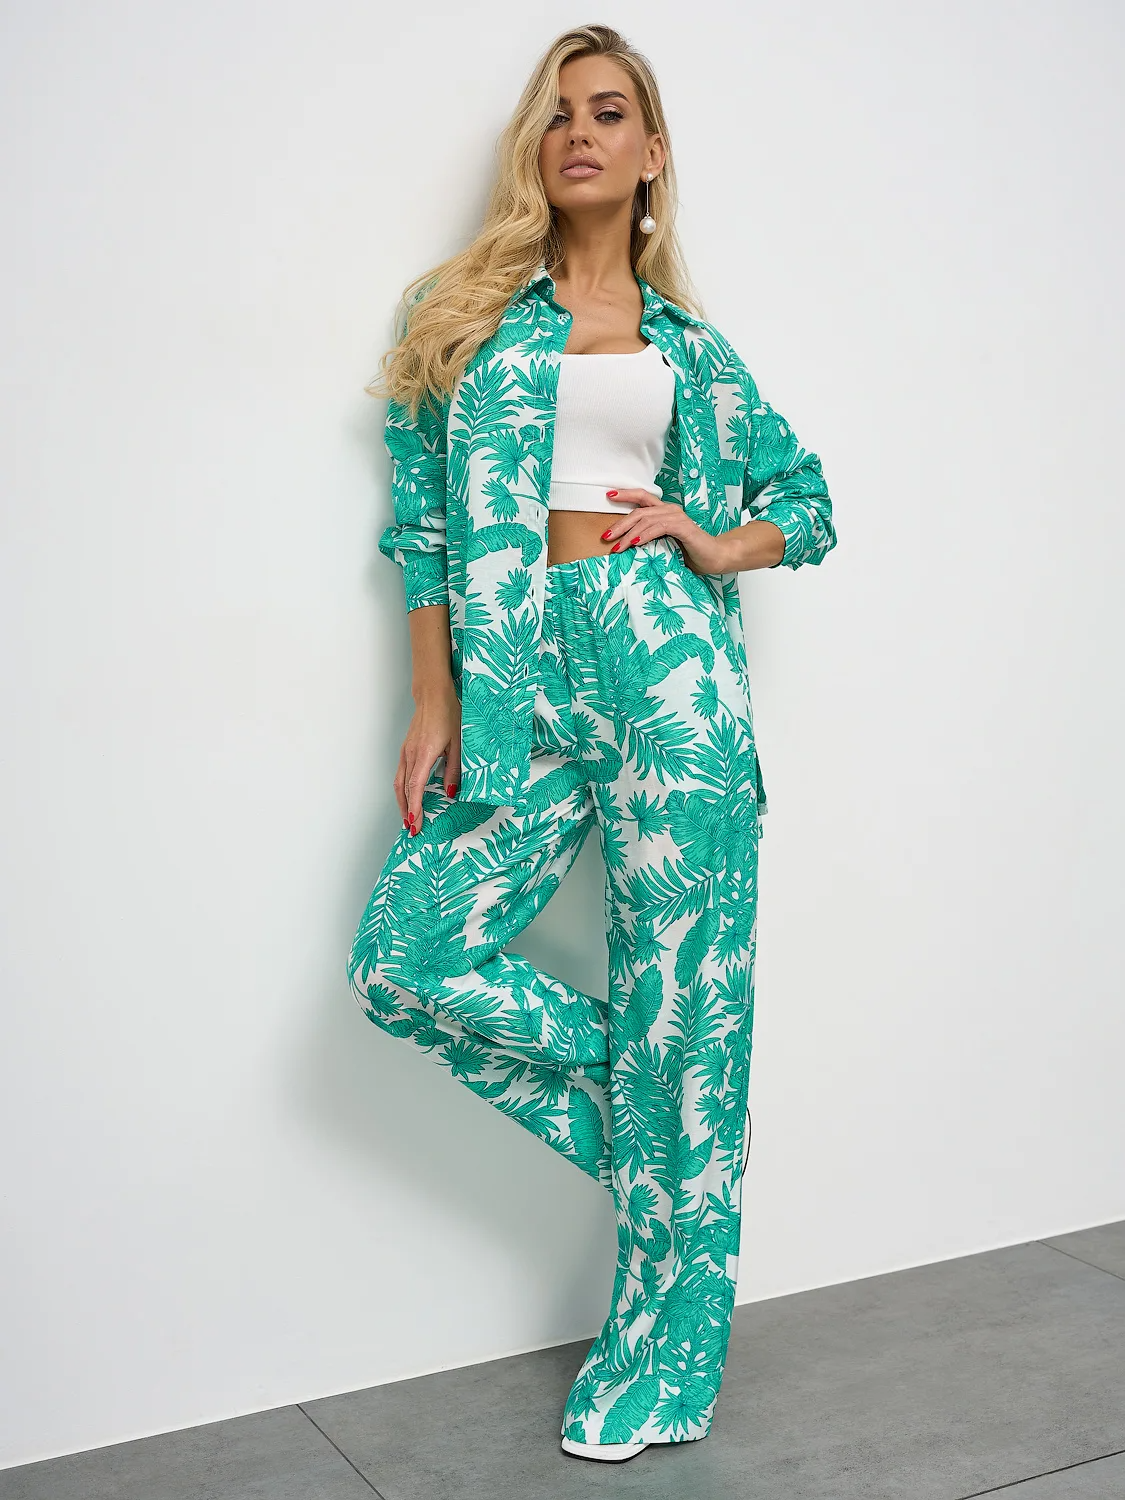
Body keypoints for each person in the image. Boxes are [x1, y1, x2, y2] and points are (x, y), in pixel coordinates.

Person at [347, 22, 837, 1465]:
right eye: (560, 113)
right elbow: (422, 527)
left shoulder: (692, 351)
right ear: (536, 146)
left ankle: (664, 1354)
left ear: (651, 152)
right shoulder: (460, 316)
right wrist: (435, 698)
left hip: (669, 668)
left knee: (695, 999)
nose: (581, 133)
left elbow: (808, 503)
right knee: (405, 957)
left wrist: (715, 540)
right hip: (517, 668)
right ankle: (668, 1117)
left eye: (610, 112)